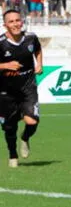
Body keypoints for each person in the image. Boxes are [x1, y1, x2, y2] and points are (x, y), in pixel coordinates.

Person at [0, 10, 42, 168]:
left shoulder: (31, 38)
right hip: (5, 92)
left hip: (27, 88)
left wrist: (39, 63)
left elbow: (37, 50)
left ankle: (25, 138)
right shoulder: (1, 43)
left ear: (22, 21)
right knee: (9, 128)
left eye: (18, 20)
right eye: (11, 21)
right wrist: (6, 65)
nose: (15, 24)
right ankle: (12, 155)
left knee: (32, 122)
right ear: (5, 25)